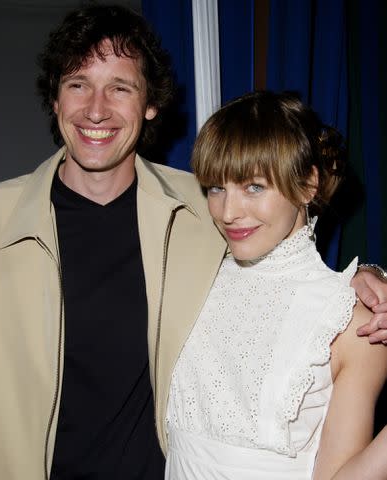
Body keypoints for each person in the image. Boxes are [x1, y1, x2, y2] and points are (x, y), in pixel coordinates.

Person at [0, 5, 386, 480]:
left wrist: (370, 278)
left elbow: (285, 249)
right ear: (54, 99)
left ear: (150, 104)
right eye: (77, 84)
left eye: (120, 87)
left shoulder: (196, 213)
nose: (96, 109)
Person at [165, 91, 387, 479]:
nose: (228, 212)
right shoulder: (195, 271)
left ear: (307, 185)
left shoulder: (351, 322)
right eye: (216, 187)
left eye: (253, 187)